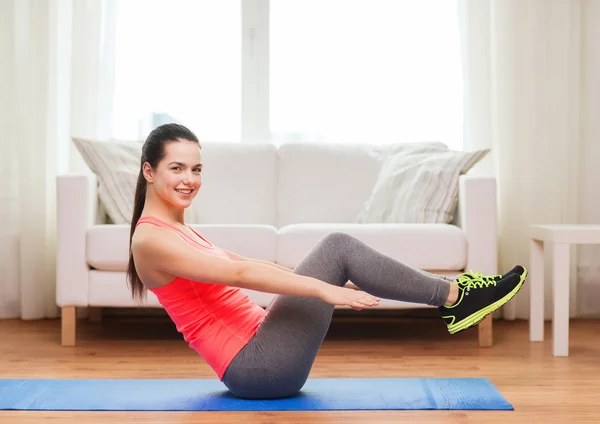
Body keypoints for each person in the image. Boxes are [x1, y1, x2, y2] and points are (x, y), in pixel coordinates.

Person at [127, 123, 527, 400]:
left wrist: (340, 284)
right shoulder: (149, 239)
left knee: (337, 253)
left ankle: (455, 297)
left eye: (196, 169)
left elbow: (248, 261)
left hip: (262, 349)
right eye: (176, 168)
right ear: (149, 170)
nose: (189, 179)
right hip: (257, 368)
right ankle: (456, 298)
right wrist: (323, 289)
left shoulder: (177, 228)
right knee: (337, 246)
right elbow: (239, 273)